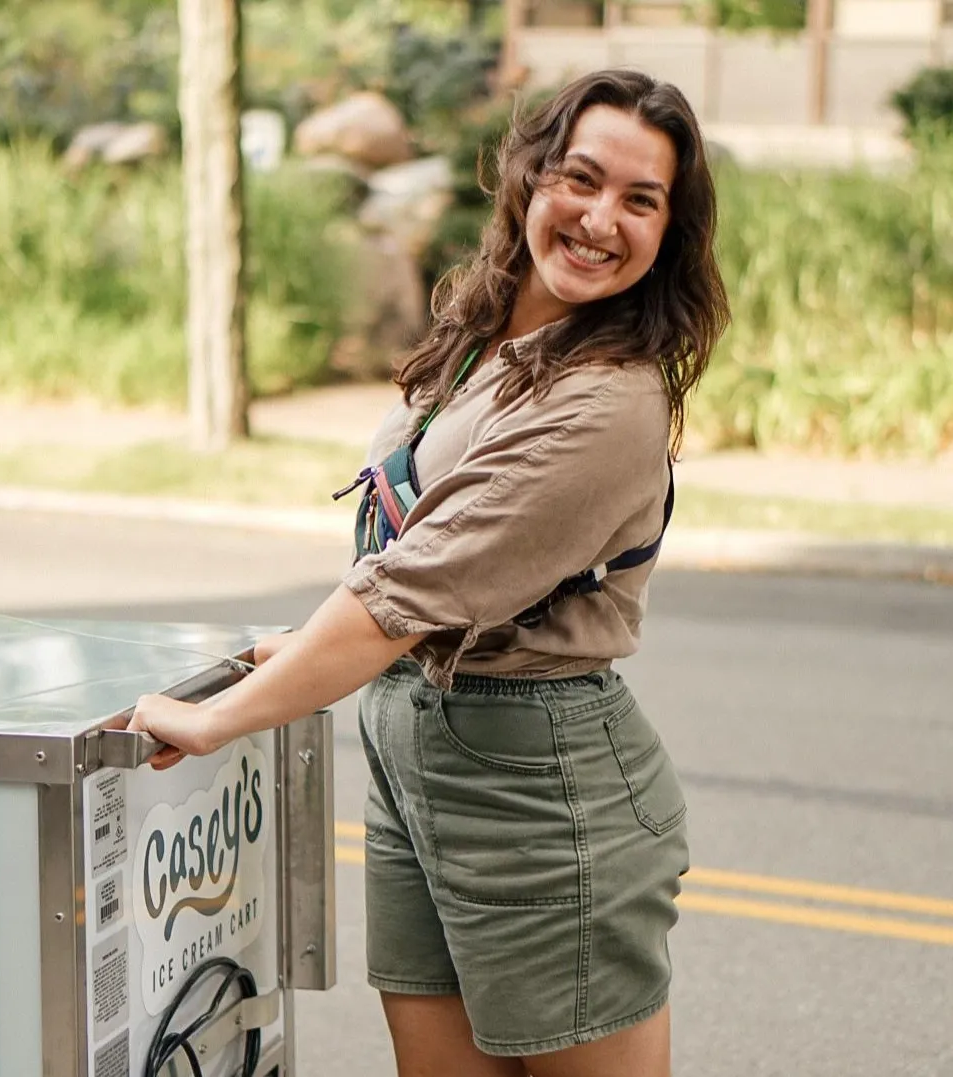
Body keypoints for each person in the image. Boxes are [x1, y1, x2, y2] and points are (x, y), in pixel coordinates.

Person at [129, 68, 730, 1077]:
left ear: (669, 231)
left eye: (641, 200)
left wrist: (222, 718)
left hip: (544, 793)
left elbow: (405, 596)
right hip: (416, 760)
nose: (599, 219)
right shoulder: (483, 336)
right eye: (580, 179)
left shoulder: (608, 399)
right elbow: (401, 552)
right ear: (531, 177)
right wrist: (305, 652)